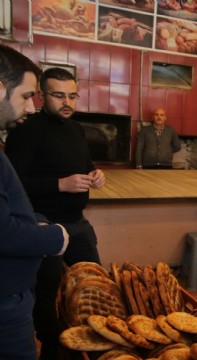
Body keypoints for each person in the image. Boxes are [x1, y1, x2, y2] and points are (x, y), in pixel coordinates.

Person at [4, 67, 105, 359]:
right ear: (43, 95)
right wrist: (59, 184)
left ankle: (98, 344)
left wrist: (95, 173)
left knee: (95, 287)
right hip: (43, 226)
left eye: (72, 96)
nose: (67, 103)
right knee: (46, 296)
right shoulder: (25, 130)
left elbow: (85, 163)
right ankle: (53, 346)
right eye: (58, 95)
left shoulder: (76, 128)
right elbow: (16, 184)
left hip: (78, 223)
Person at [0, 44, 69, 360]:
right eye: (27, 96)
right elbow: (5, 233)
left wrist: (32, 218)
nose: (31, 107)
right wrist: (55, 236)